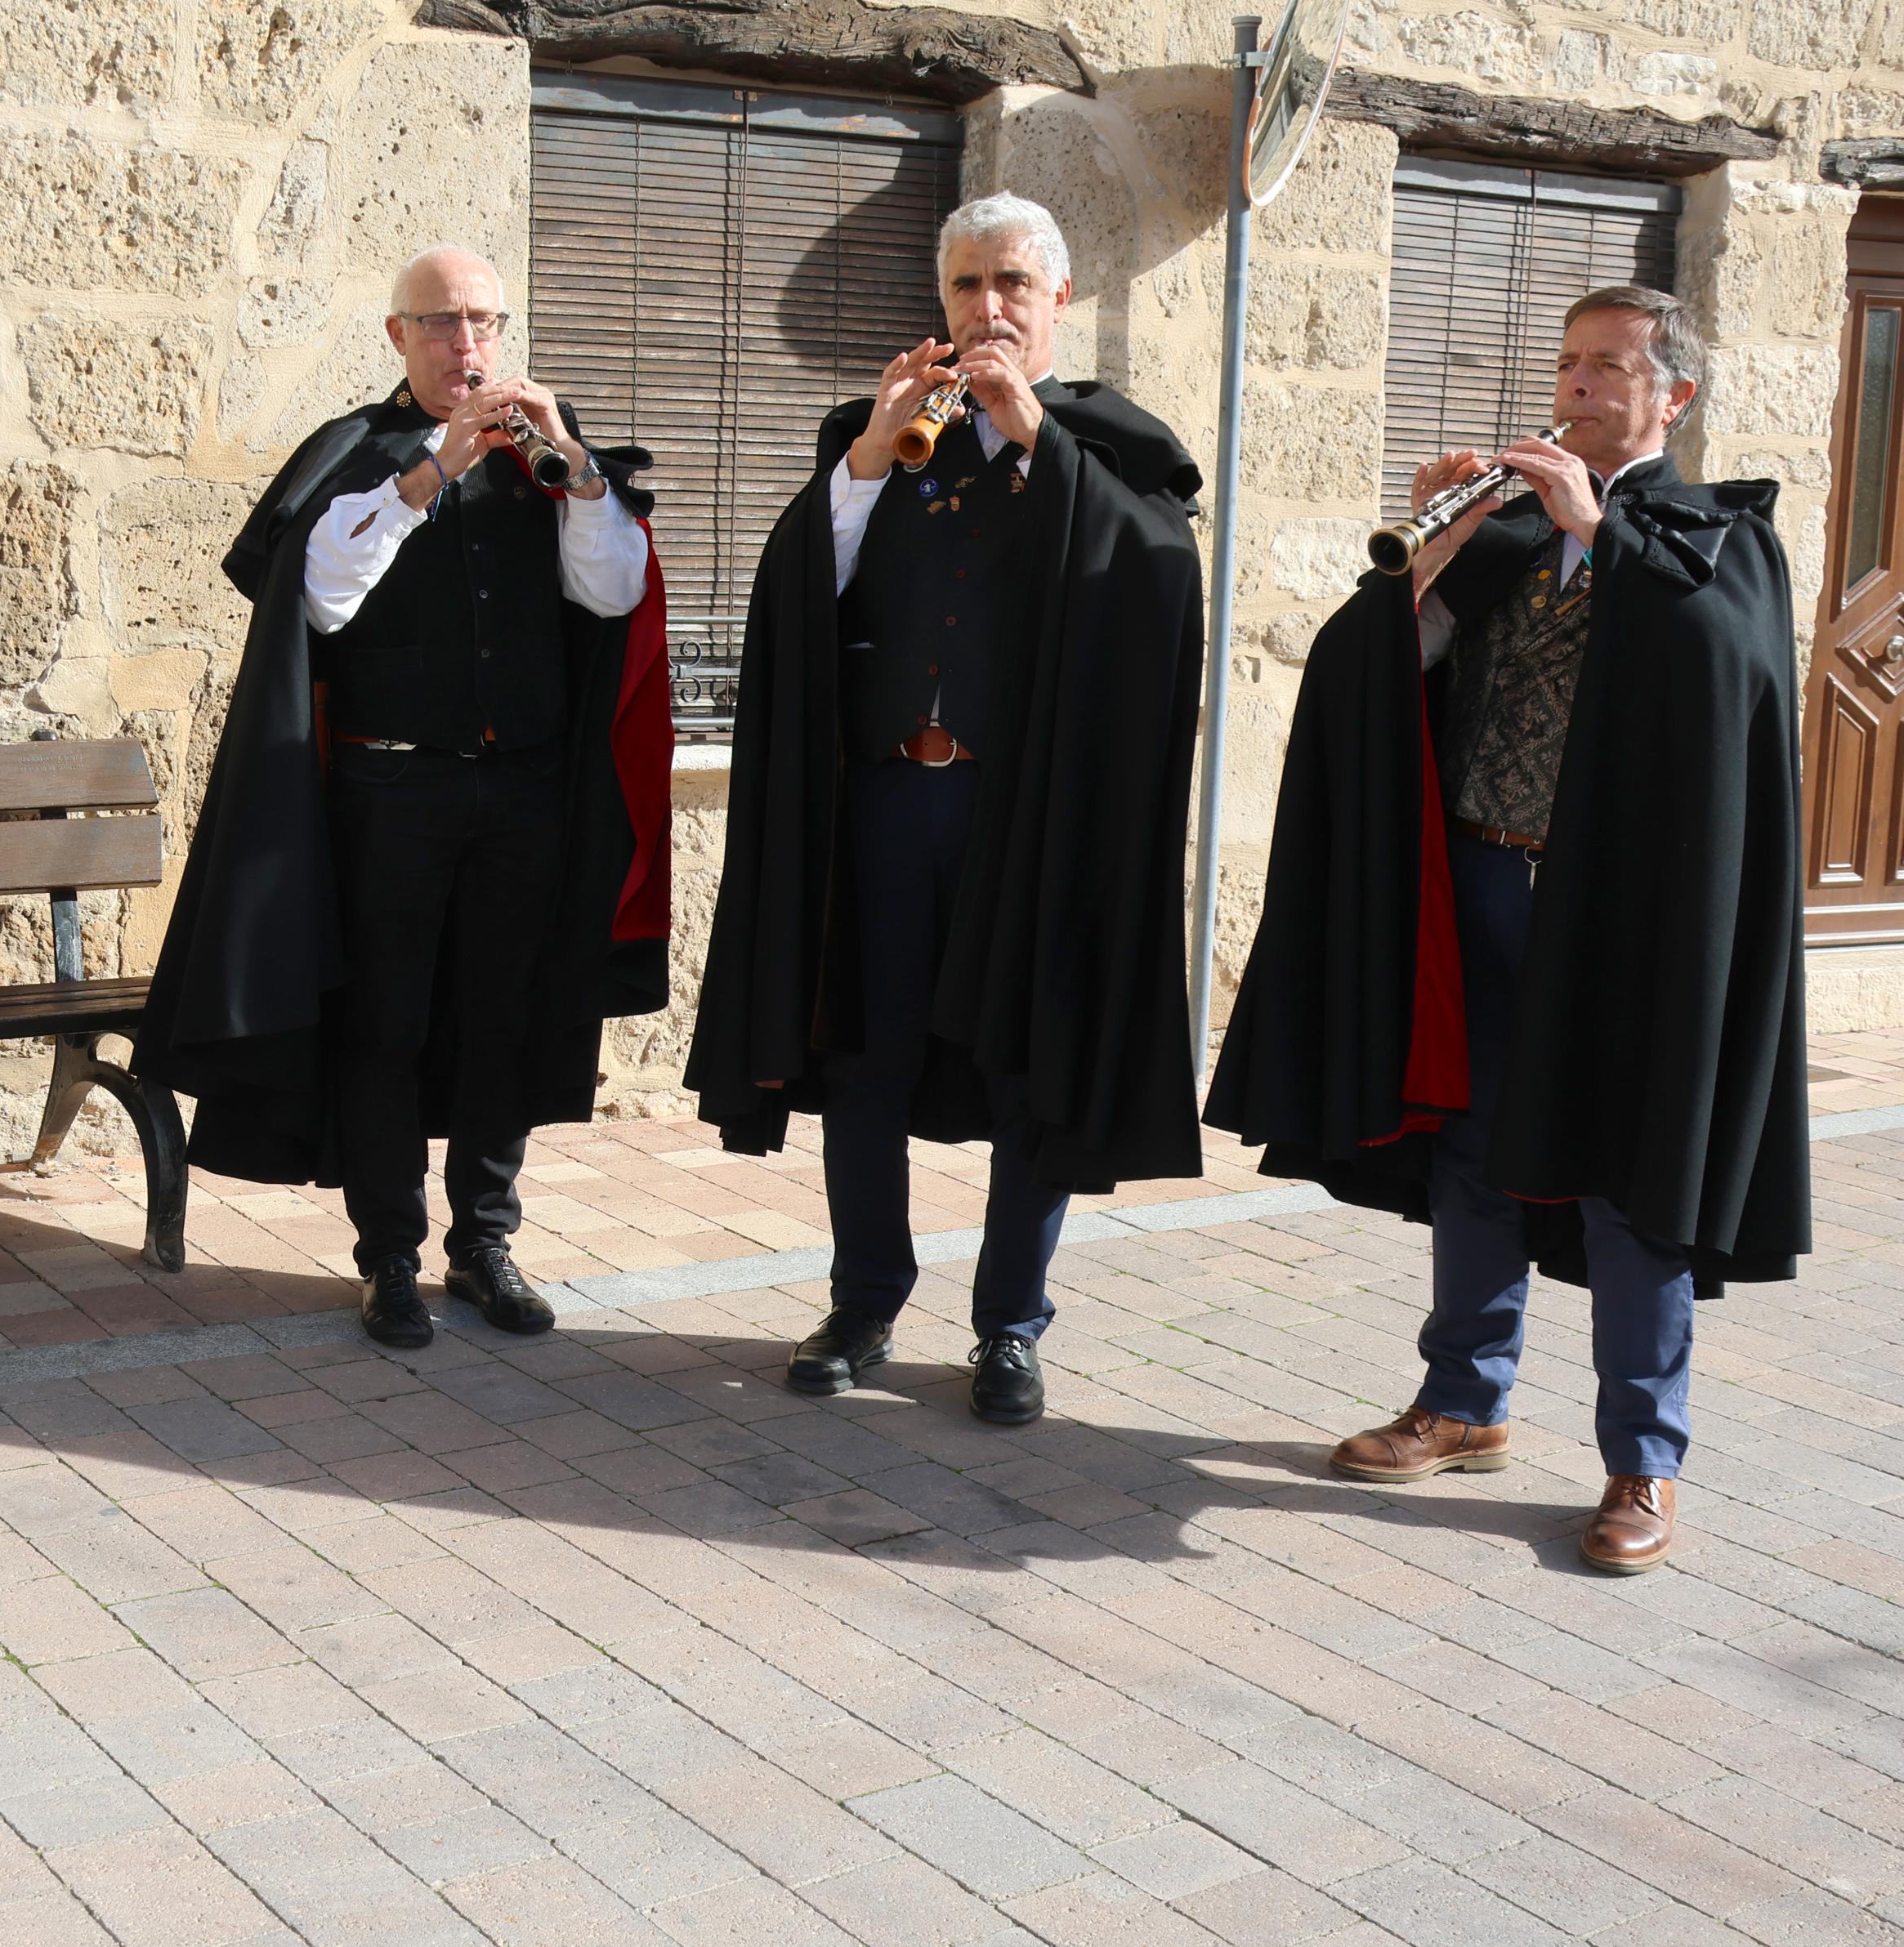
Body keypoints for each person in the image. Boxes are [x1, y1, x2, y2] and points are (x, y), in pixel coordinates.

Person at [1206, 286, 1809, 1575]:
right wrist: (1430, 561)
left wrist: (1602, 537)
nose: (1578, 387)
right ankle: (1464, 1401)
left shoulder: (1722, 536)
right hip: (1480, 884)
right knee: (1471, 1154)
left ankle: (1643, 1458)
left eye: (1609, 368)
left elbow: (1721, 675)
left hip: (1623, 922)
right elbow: (1378, 671)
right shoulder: (1509, 530)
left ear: (1672, 397)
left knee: (1625, 1182)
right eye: (1570, 364)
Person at [686, 194, 1206, 1427]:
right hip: (883, 801)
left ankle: (1009, 1326)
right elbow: (799, 593)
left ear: (1059, 298)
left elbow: (1156, 591)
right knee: (864, 1059)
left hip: (1023, 817)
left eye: (1012, 283)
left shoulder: (1114, 449)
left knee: (1026, 1061)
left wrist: (1038, 443)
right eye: (968, 284)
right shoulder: (874, 433)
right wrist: (867, 462)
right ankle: (864, 1301)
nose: (988, 307)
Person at [134, 248, 673, 1348]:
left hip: (523, 787)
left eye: (483, 321)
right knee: (385, 1025)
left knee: (503, 1020)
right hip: (392, 789)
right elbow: (320, 599)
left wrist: (577, 471)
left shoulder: (548, 455)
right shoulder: (360, 453)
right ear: (398, 336)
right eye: (440, 322)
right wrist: (433, 469)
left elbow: (612, 588)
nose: (465, 344)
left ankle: (484, 1243)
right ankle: (389, 1254)